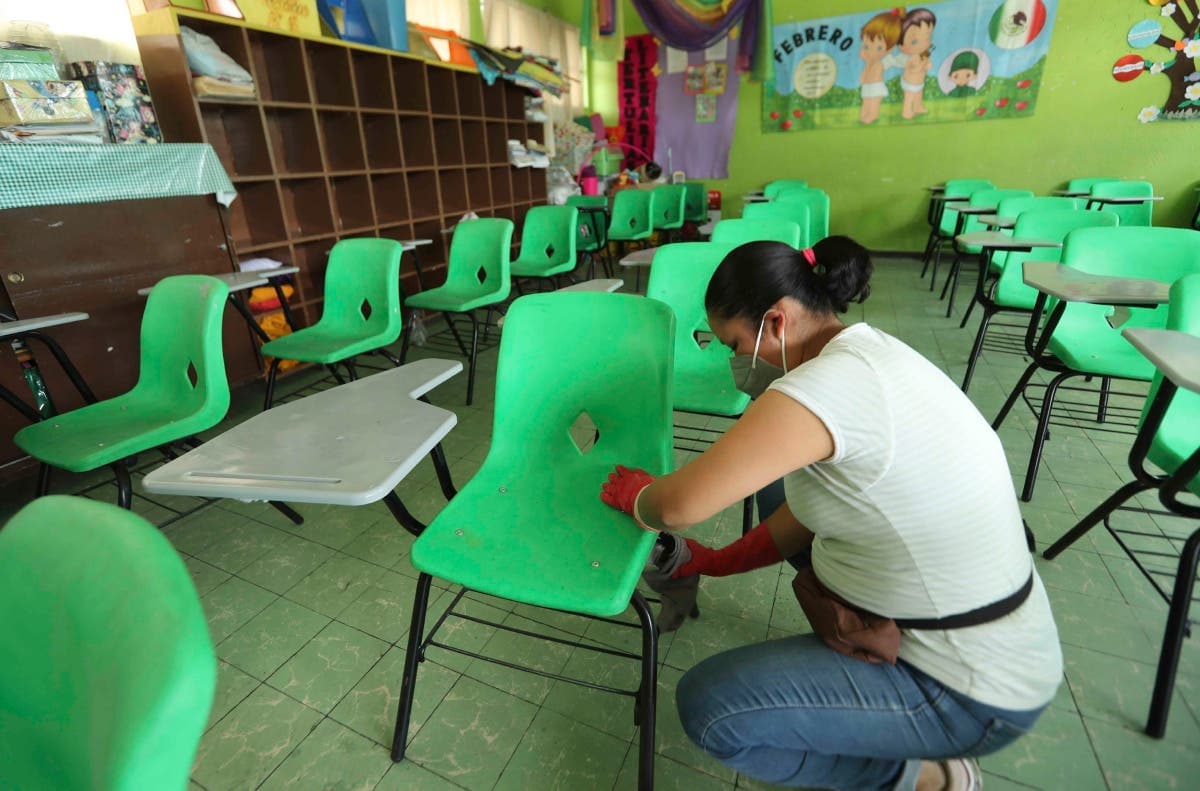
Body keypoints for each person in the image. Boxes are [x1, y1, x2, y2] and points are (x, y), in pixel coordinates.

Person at [601, 237, 1061, 791]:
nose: (733, 361)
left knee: (710, 709)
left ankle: (924, 776)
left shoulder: (823, 386)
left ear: (776, 321)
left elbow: (678, 506)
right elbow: (800, 517)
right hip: (1003, 638)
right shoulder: (867, 350)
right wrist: (714, 562)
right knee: (778, 495)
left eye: (734, 343)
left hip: (974, 687)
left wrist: (636, 495)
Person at [859, 9, 904, 125]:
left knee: (873, 103)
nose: (870, 51)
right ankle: (864, 115)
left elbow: (875, 73)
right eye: (866, 46)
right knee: (866, 102)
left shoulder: (879, 63)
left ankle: (872, 116)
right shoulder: (870, 63)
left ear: (889, 49)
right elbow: (864, 76)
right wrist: (864, 76)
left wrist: (868, 62)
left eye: (879, 48)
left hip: (875, 88)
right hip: (867, 87)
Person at [899, 8, 937, 119]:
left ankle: (917, 107)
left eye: (927, 36)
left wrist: (927, 64)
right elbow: (911, 67)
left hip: (919, 81)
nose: (925, 42)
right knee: (909, 96)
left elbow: (926, 60)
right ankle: (906, 111)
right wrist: (918, 67)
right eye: (915, 41)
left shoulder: (924, 53)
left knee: (918, 94)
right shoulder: (912, 57)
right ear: (902, 46)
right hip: (910, 82)